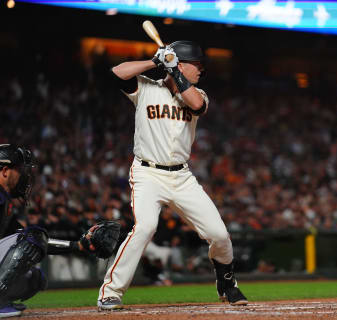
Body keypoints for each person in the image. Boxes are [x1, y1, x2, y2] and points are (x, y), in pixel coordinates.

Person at [98, 40, 248, 310]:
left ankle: (227, 282)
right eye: (197, 65)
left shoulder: (198, 93)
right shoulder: (145, 88)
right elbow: (115, 73)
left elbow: (197, 105)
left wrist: (175, 70)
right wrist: (155, 61)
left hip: (181, 176)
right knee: (144, 228)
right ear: (182, 63)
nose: (201, 70)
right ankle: (111, 292)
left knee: (219, 234)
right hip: (147, 173)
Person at [0, 144, 119, 318]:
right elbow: (30, 239)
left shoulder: (5, 202)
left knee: (34, 279)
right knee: (34, 237)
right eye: (19, 169)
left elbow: (24, 238)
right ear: (4, 171)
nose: (24, 176)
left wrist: (77, 245)